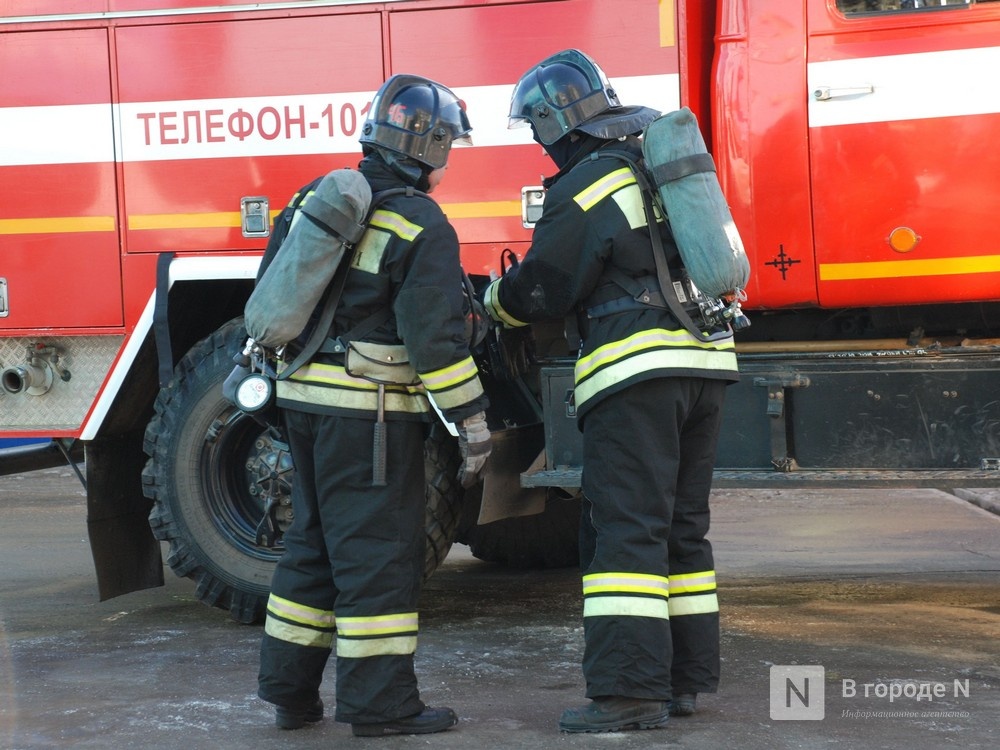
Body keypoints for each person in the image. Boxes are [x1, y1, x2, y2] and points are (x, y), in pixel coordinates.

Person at [482, 49, 739, 733]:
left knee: (625, 532)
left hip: (637, 375)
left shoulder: (589, 182)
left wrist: (495, 303)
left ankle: (627, 694)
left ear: (551, 123)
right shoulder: (655, 163)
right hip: (705, 364)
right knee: (681, 529)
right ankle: (683, 681)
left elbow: (547, 284)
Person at [257, 73, 491, 737]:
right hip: (373, 417)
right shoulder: (420, 221)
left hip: (300, 403)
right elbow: (436, 342)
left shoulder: (314, 198)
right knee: (376, 560)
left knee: (313, 545)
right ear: (434, 148)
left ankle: (289, 695)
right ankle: (380, 706)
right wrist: (472, 421)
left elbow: (272, 292)